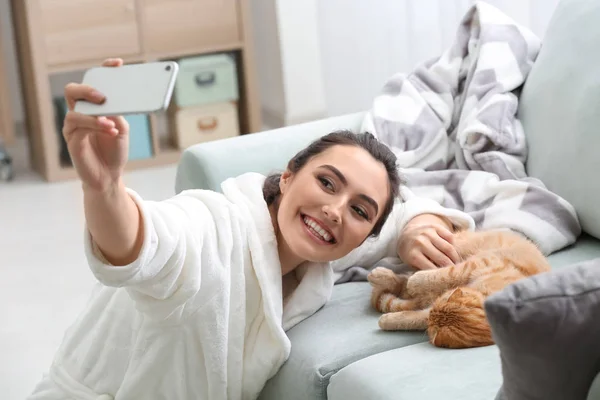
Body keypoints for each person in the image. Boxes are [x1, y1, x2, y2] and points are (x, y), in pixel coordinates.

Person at [28, 58, 474, 400]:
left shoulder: (323, 248)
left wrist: (419, 223)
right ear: (287, 176)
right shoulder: (214, 229)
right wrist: (104, 188)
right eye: (326, 182)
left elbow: (394, 219)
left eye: (360, 210)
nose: (336, 211)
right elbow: (145, 244)